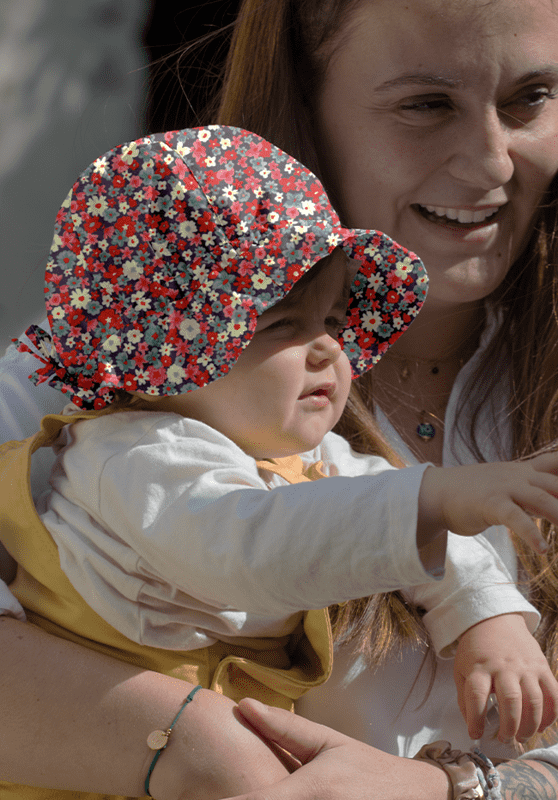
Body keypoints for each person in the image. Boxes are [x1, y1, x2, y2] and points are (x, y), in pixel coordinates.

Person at [2, 0, 558, 798]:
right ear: (305, 99)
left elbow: (369, 498)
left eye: (529, 98)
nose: (491, 161)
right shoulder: (102, 410)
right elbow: (253, 540)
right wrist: (182, 742)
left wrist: (462, 765)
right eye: (426, 104)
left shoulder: (312, 442)